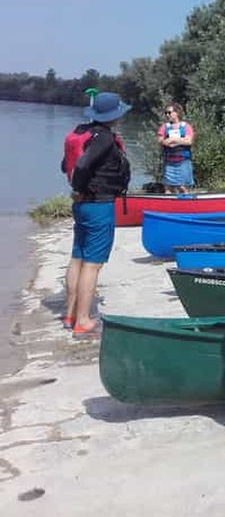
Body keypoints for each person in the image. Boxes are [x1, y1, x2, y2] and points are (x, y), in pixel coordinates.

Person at [61, 92, 131, 337]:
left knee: (77, 258)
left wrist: (77, 191)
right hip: (98, 205)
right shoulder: (104, 139)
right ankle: (83, 321)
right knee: (93, 265)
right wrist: (81, 189)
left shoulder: (84, 132)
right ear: (114, 116)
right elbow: (81, 166)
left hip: (82, 206)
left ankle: (70, 314)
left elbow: (65, 165)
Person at [157, 103, 194, 194]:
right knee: (168, 188)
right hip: (169, 162)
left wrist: (172, 139)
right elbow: (161, 141)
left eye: (169, 112)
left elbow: (189, 141)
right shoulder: (164, 127)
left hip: (183, 162)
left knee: (183, 187)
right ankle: (168, 206)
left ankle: (186, 205)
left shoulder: (186, 127)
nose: (167, 115)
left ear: (176, 113)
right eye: (166, 113)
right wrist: (180, 140)